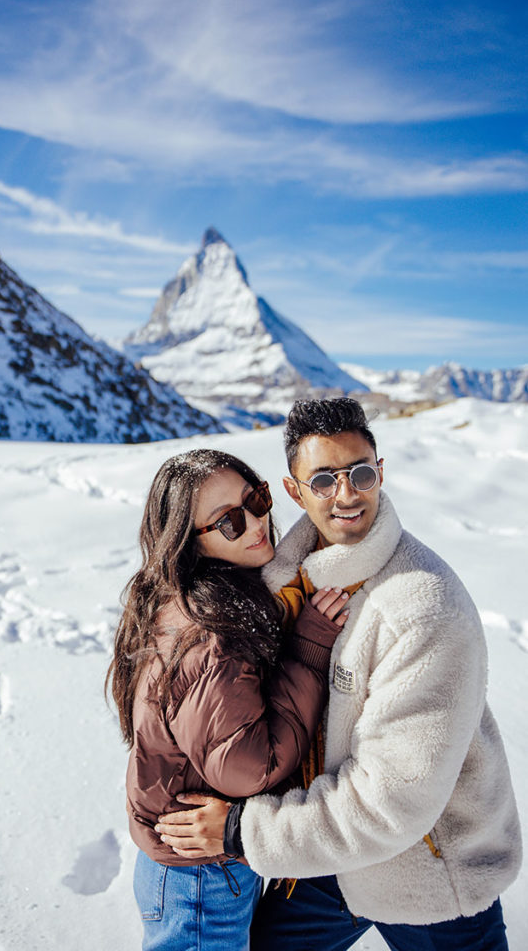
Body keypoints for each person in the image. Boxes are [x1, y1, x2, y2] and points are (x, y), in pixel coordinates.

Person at [155, 399, 522, 951]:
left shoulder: (423, 606)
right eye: (323, 479)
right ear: (293, 491)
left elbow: (394, 800)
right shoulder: (283, 581)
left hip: (428, 870)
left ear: (381, 473)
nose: (347, 494)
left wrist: (241, 831)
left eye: (361, 473)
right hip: (325, 854)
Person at [107, 448, 349, 951]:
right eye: (228, 522)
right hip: (201, 878)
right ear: (188, 542)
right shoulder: (211, 632)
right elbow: (246, 767)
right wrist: (308, 649)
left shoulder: (190, 598)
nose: (257, 521)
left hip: (187, 868)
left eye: (256, 499)